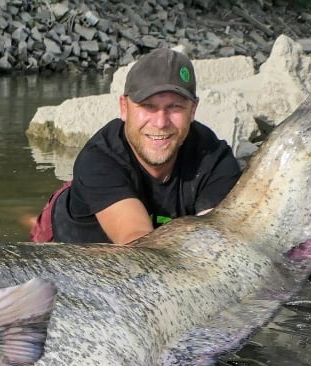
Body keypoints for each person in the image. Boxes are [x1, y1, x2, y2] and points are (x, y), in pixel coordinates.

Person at [30, 48, 242, 244]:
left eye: (175, 107)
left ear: (193, 109)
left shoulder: (215, 158)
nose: (160, 122)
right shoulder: (98, 160)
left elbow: (218, 237)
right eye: (148, 106)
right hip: (65, 232)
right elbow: (136, 242)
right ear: (124, 107)